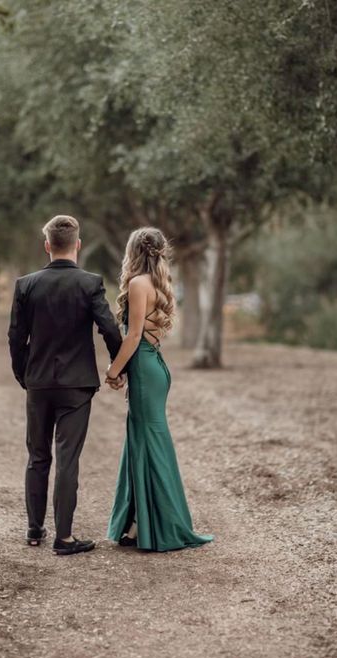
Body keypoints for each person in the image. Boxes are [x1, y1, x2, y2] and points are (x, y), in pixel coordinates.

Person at [8, 215, 124, 556]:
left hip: (39, 383)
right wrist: (119, 368)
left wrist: (23, 375)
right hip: (77, 386)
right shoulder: (90, 283)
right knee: (67, 459)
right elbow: (110, 330)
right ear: (78, 245)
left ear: (47, 246)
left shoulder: (26, 285)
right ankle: (65, 538)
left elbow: (16, 338)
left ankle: (34, 530)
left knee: (37, 456)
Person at [105, 227, 214, 552]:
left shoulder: (139, 284)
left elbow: (134, 336)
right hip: (151, 368)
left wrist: (113, 370)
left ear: (133, 251)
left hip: (146, 369)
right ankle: (138, 524)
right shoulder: (155, 284)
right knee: (144, 442)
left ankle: (162, 526)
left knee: (150, 442)